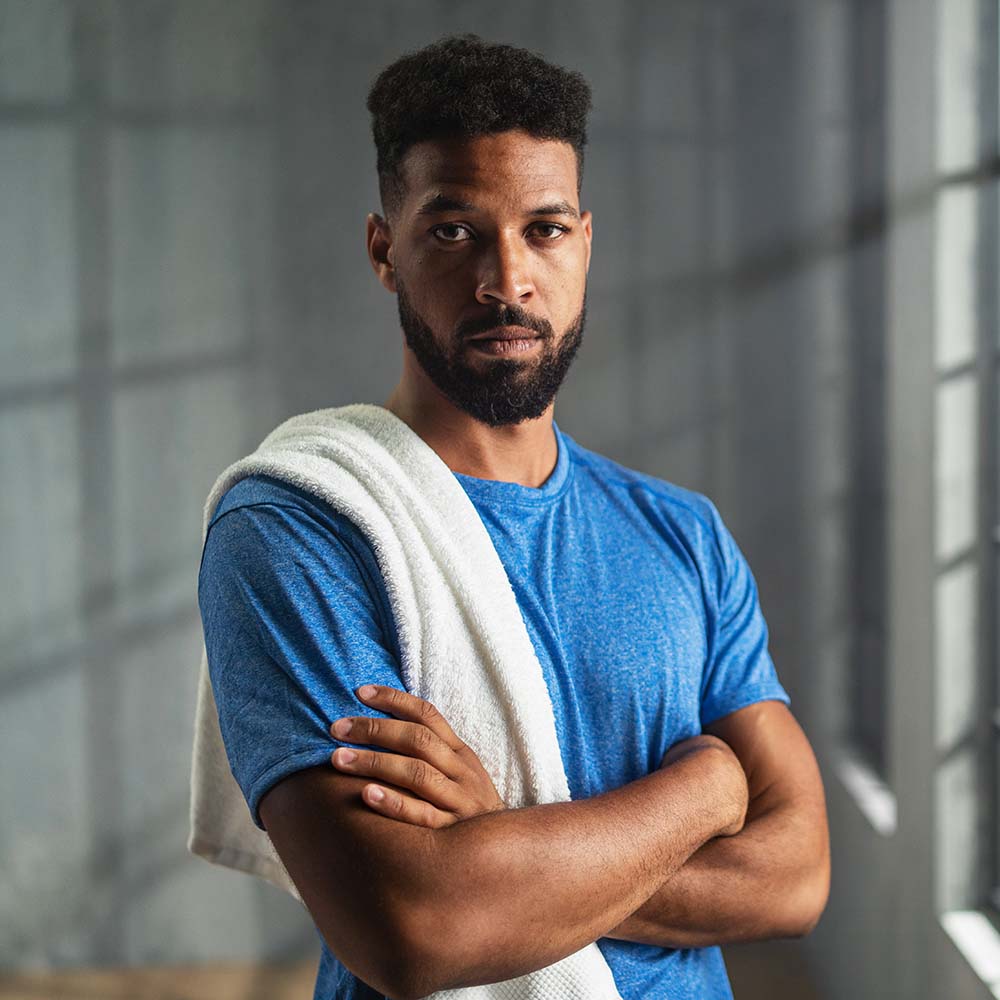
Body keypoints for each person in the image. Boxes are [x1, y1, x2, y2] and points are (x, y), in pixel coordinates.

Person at [197, 33, 830, 1000]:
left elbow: (796, 878)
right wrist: (703, 790)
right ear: (384, 250)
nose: (506, 280)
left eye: (543, 229)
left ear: (584, 242)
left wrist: (507, 850)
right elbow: (416, 928)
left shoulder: (682, 535)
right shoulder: (302, 528)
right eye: (454, 231)